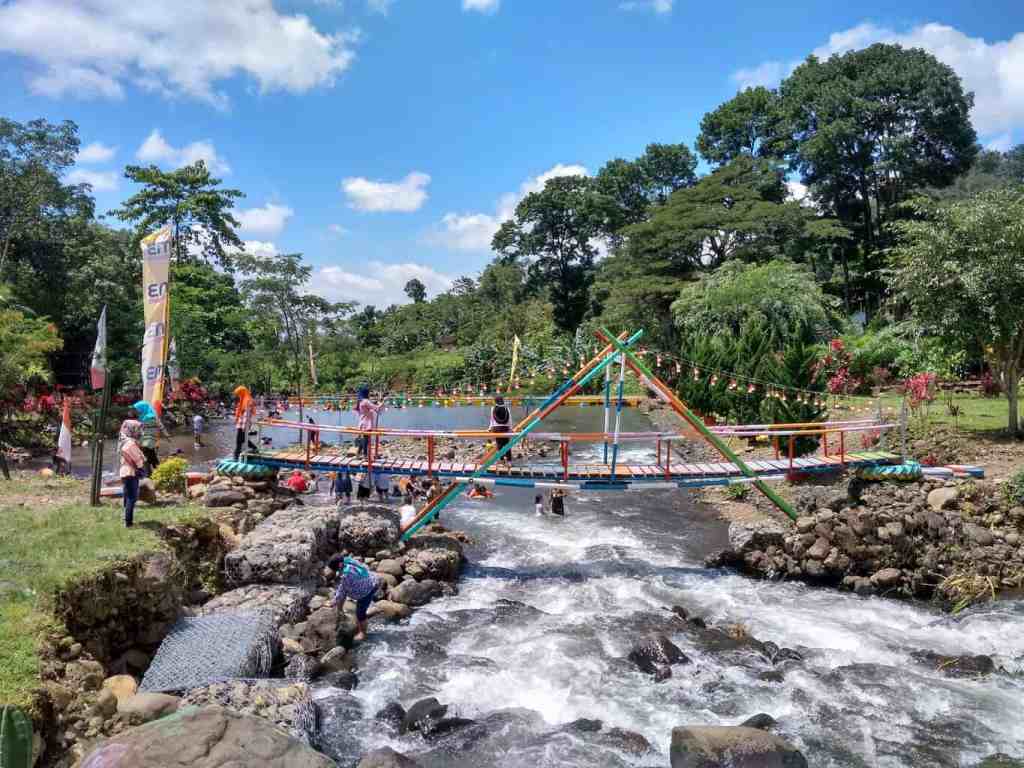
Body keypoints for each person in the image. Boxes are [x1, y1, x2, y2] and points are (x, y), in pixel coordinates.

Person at [328, 555, 379, 642]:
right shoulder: (348, 560)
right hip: (372, 580)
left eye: (335, 569)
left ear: (340, 565)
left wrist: (333, 602)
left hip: (367, 591)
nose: (335, 572)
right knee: (345, 593)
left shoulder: (346, 576)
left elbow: (342, 591)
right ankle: (341, 611)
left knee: (360, 614)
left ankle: (363, 633)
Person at [118, 420, 147, 528]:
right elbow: (137, 459)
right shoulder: (130, 443)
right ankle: (128, 522)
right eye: (138, 429)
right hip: (131, 472)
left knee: (127, 496)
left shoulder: (127, 441)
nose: (140, 432)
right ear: (132, 430)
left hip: (127, 472)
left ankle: (126, 518)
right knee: (132, 497)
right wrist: (141, 467)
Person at [132, 400, 168, 474]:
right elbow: (160, 426)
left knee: (146, 457)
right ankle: (158, 472)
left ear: (142, 408)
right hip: (149, 440)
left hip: (147, 440)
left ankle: (149, 474)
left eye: (137, 409)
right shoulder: (147, 416)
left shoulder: (148, 417)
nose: (136, 411)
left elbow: (140, 430)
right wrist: (167, 435)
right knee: (152, 456)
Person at [354, 386, 383, 457]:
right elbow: (376, 408)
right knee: (366, 439)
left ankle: (359, 453)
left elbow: (368, 409)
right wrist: (381, 403)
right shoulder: (366, 401)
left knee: (365, 438)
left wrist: (375, 406)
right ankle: (365, 455)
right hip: (367, 423)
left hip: (362, 422)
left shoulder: (360, 401)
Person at [233, 386, 256, 461]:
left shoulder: (248, 400)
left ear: (242, 392)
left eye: (239, 394)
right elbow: (240, 412)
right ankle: (254, 448)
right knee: (242, 439)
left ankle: (235, 457)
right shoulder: (243, 400)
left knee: (239, 440)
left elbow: (247, 415)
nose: (238, 395)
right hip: (241, 423)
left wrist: (244, 426)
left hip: (244, 424)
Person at [489, 396, 512, 465]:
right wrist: (510, 428)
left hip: (496, 428)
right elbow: (509, 419)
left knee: (499, 444)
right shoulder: (506, 408)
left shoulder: (493, 408)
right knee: (506, 444)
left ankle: (501, 460)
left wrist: (490, 428)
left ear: (495, 401)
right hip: (505, 428)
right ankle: (509, 461)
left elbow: (492, 419)